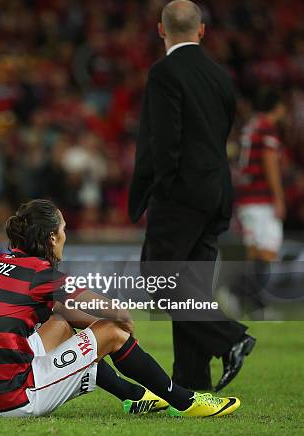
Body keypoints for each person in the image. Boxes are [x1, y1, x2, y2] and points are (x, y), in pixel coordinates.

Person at [0, 199, 240, 417]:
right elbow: (113, 311)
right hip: (12, 400)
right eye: (63, 229)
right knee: (110, 330)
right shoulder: (40, 274)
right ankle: (184, 401)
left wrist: (96, 331)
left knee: (62, 323)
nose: (65, 236)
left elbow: (66, 313)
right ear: (52, 238)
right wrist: (121, 328)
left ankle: (133, 395)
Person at [128, 0, 255, 392]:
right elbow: (221, 133)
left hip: (181, 192)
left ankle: (229, 336)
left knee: (158, 277)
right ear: (201, 31)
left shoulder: (165, 73)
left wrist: (157, 189)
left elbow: (163, 139)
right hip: (217, 190)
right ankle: (191, 383)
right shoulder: (219, 75)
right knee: (191, 285)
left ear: (162, 30)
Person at [226, 89, 286, 315]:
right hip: (261, 200)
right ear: (277, 107)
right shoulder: (267, 129)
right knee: (268, 253)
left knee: (254, 255)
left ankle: (250, 303)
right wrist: (278, 197)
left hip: (246, 199)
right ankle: (238, 292)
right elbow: (269, 163)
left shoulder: (249, 127)